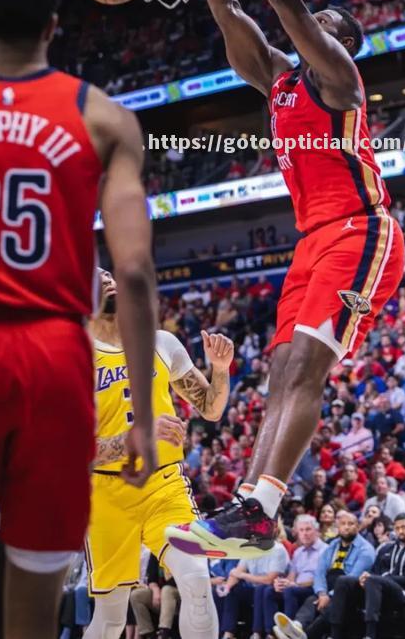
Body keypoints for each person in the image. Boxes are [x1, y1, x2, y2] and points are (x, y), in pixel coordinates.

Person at [174, 0, 405, 557]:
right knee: (280, 373)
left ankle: (263, 506)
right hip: (312, 242)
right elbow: (228, 9)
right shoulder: (279, 79)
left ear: (344, 43)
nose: (312, 24)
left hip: (360, 231)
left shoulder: (339, 76)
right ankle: (250, 510)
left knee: (305, 369)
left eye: (326, 21)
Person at [0, 0, 158, 639]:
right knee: (33, 600)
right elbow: (131, 271)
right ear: (53, 25)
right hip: (53, 351)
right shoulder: (105, 118)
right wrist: (137, 410)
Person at [85, 269, 232, 639]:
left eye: (107, 272)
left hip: (164, 485)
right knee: (112, 618)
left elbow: (210, 409)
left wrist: (220, 370)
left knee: (198, 580)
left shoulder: (161, 341)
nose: (105, 277)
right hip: (105, 494)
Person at [272, 511, 374, 639]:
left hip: (353, 591)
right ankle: (297, 626)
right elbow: (320, 572)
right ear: (338, 527)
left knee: (332, 604)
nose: (346, 527)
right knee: (312, 600)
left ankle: (303, 635)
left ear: (358, 527)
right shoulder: (333, 545)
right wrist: (322, 593)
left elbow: (353, 577)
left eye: (351, 524)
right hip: (330, 587)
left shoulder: (366, 549)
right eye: (343, 524)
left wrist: (330, 595)